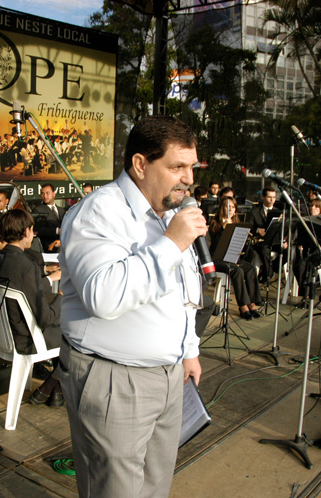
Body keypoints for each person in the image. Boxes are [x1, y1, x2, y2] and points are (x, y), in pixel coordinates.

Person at [59, 115, 205, 498]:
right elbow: (103, 296)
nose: (188, 178)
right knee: (116, 491)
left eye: (192, 167)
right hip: (114, 380)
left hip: (171, 375)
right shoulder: (98, 212)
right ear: (140, 165)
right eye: (177, 166)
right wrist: (171, 244)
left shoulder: (170, 215)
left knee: (156, 486)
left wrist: (189, 350)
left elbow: (182, 293)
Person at [0, 210, 64, 406]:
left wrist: (50, 279)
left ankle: (55, 391)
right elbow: (46, 319)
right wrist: (61, 296)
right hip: (29, 338)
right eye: (33, 231)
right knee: (80, 334)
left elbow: (22, 288)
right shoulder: (27, 265)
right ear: (26, 231)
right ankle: (50, 385)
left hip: (6, 333)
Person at [208, 197, 262, 320]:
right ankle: (243, 306)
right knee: (237, 270)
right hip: (217, 258)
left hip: (232, 257)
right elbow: (217, 245)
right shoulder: (215, 222)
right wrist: (224, 228)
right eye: (228, 207)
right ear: (222, 208)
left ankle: (252, 303)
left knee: (250, 268)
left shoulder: (237, 221)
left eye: (233, 207)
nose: (230, 209)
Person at [32, 184, 65, 252]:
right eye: (42, 193)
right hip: (48, 248)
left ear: (54, 193)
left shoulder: (62, 211)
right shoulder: (38, 210)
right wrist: (56, 231)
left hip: (63, 247)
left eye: (47, 193)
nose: (45, 196)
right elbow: (38, 230)